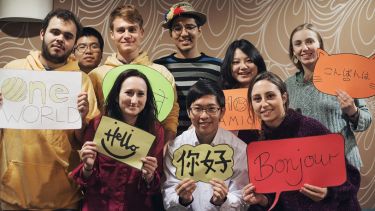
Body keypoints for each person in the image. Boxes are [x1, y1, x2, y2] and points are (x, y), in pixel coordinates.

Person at [0, 9, 99, 210]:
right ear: (43, 33)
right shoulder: (13, 70)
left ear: (73, 43)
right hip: (12, 194)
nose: (60, 39)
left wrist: (81, 119)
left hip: (63, 198)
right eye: (55, 32)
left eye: (68, 36)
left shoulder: (81, 81)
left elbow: (85, 143)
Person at [243, 72, 361, 210]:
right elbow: (280, 200)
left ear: (284, 97)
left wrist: (329, 192)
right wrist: (263, 200)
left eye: (270, 96)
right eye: (257, 99)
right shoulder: (261, 145)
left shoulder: (311, 128)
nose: (264, 104)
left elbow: (352, 178)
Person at [70, 69, 164, 210]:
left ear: (147, 98)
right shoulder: (98, 125)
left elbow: (154, 185)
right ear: (116, 96)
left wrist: (149, 176)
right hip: (98, 206)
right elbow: (85, 181)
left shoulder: (155, 130)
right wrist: (88, 167)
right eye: (129, 93)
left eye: (141, 94)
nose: (134, 100)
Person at [285, 23, 372, 170]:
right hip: (306, 165)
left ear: (320, 46)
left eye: (310, 41)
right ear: (293, 51)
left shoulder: (343, 76)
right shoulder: (287, 86)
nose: (305, 48)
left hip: (344, 163)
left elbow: (367, 120)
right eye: (298, 44)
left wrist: (353, 111)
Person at [89, 4, 179, 145]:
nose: (127, 35)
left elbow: (170, 115)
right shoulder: (96, 75)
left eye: (132, 29)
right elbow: (91, 119)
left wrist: (167, 144)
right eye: (121, 30)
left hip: (150, 154)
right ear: (112, 34)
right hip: (107, 154)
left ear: (141, 32)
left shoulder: (161, 73)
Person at [163, 79, 248, 210]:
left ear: (222, 112)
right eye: (197, 109)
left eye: (211, 109)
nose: (204, 116)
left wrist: (223, 200)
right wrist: (183, 200)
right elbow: (168, 194)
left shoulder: (239, 149)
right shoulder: (175, 148)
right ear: (189, 112)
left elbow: (242, 199)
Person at [154, 2, 222, 135]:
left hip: (207, 142)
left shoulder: (217, 66)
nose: (184, 33)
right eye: (177, 28)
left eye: (190, 27)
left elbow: (224, 107)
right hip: (168, 142)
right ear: (171, 33)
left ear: (199, 31)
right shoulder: (159, 67)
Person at [220, 39, 267, 144]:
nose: (243, 67)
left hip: (264, 152)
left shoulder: (270, 93)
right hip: (232, 155)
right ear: (229, 66)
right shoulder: (220, 98)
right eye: (236, 62)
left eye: (249, 60)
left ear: (257, 63)